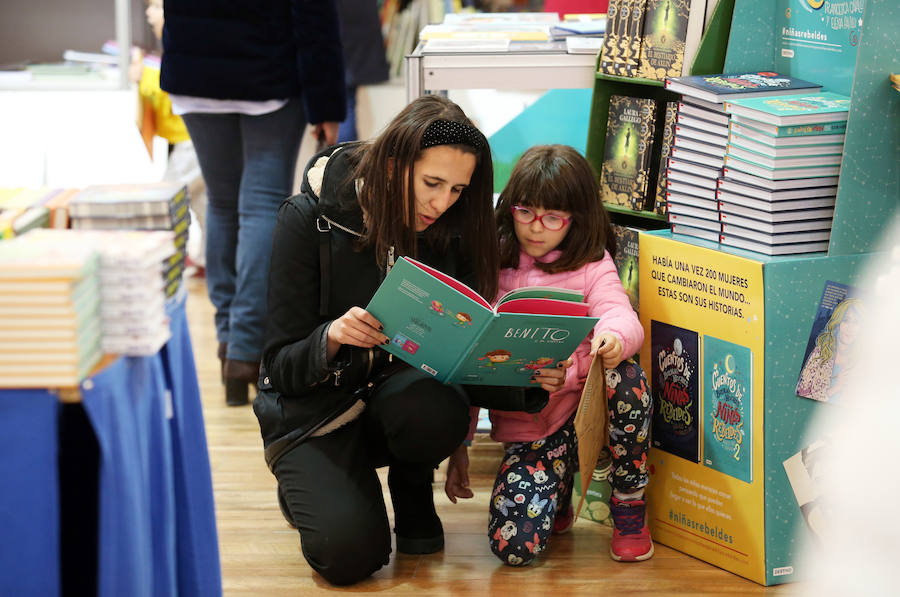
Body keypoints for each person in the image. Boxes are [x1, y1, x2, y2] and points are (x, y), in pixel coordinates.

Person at [252, 96, 561, 586]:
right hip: (315, 414)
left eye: (458, 189)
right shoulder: (307, 218)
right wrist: (331, 337)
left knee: (433, 405)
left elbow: (460, 358)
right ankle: (309, 484)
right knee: (348, 557)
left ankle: (411, 487)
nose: (443, 203)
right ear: (394, 165)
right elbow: (277, 367)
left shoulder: (449, 230)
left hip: (400, 404)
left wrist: (524, 377)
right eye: (432, 183)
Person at [444, 144, 654, 566]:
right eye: (525, 212)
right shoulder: (493, 260)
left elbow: (618, 312)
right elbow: (470, 358)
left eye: (552, 217)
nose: (535, 228)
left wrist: (606, 344)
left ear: (576, 218)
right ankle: (556, 495)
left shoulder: (593, 264)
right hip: (531, 432)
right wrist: (460, 444)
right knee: (514, 550)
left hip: (590, 418)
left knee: (625, 377)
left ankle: (629, 503)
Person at [160, 0, 346, 405]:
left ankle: (229, 342)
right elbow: (314, 17)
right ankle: (246, 350)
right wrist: (328, 103)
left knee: (222, 204)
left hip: (194, 66)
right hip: (267, 68)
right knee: (261, 205)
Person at [334, 0, 390, 143]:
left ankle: (343, 159)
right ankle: (347, 159)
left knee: (344, 107)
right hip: (358, 38)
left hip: (340, 38)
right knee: (347, 105)